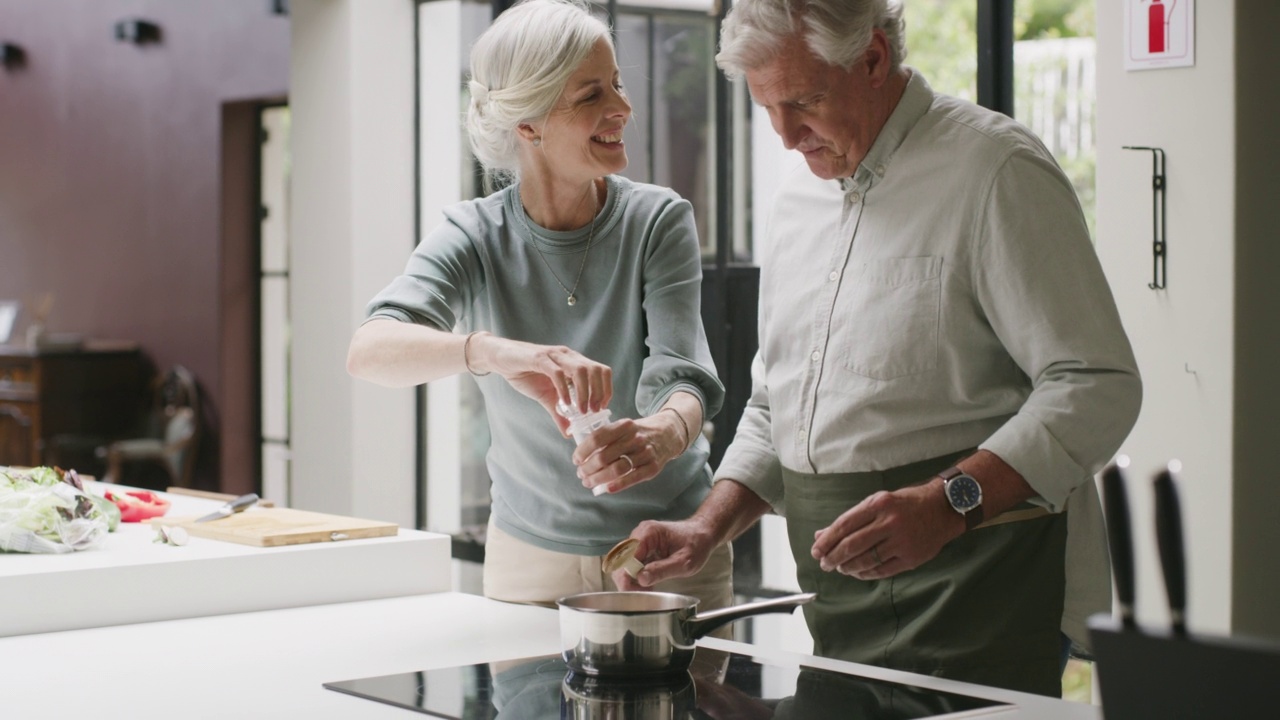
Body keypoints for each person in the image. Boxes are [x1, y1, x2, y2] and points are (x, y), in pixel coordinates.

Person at [612, 0, 1142, 697]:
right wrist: (708, 527)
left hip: (982, 591)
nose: (786, 137)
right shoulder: (797, 198)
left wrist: (948, 502)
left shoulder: (995, 170)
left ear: (872, 59)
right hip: (835, 611)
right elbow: (779, 404)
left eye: (803, 101)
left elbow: (1096, 382)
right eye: (767, 107)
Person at [347, 0, 732, 612]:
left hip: (664, 549)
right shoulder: (474, 234)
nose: (622, 109)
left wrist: (663, 434)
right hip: (527, 560)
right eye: (590, 96)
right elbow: (370, 351)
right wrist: (491, 351)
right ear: (527, 125)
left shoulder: (657, 219)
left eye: (618, 85)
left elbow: (683, 373)